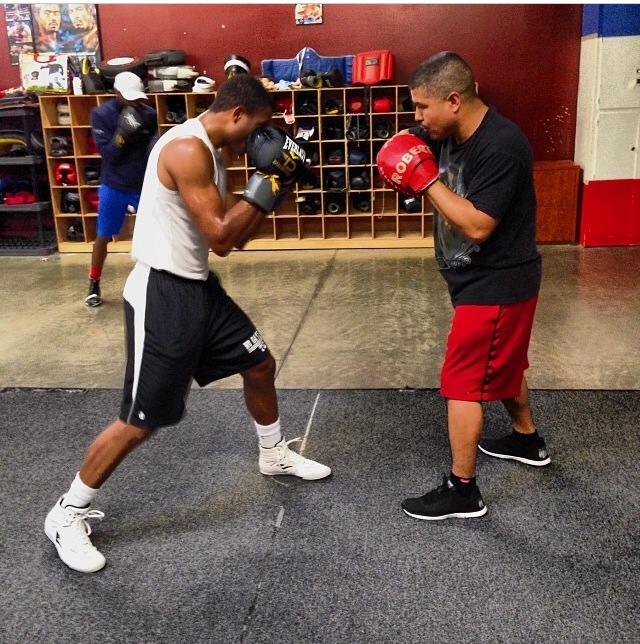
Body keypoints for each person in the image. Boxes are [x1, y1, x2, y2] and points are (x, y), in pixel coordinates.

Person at [45, 74, 331, 573]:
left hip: (199, 288)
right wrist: (267, 183)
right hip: (162, 294)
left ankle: (272, 453)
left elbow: (234, 240)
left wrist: (279, 186)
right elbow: (220, 235)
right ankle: (67, 513)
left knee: (259, 364)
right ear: (237, 114)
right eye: (258, 128)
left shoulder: (216, 153)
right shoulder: (186, 149)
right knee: (141, 421)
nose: (260, 140)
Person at [377, 51, 549, 521]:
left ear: (453, 100)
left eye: (422, 107)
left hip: (496, 282)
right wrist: (400, 150)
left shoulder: (502, 145)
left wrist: (425, 179)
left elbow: (477, 225)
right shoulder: (446, 133)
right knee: (505, 363)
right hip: (477, 278)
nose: (417, 117)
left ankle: (463, 490)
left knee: (462, 383)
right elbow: (402, 145)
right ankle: (527, 440)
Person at [85, 71, 157, 307]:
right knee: (103, 236)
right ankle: (93, 284)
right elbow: (109, 155)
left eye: (137, 98)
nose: (133, 102)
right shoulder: (102, 115)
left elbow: (152, 152)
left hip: (143, 185)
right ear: (116, 93)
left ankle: (156, 285)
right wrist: (122, 134)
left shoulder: (149, 114)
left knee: (155, 234)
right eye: (128, 97)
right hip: (114, 184)